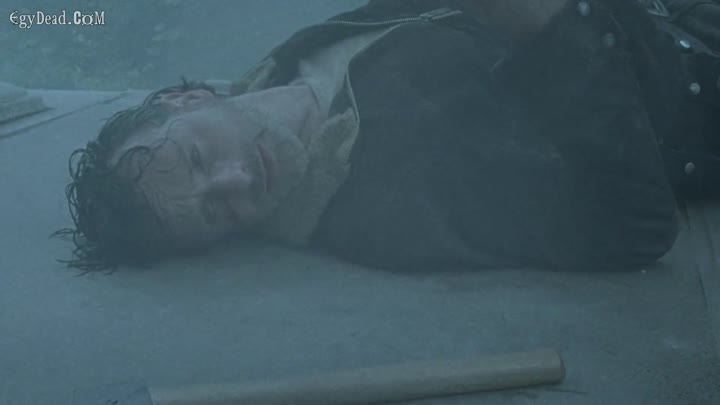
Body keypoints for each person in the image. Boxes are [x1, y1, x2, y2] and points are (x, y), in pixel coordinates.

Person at [54, 0, 720, 273]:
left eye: (200, 157)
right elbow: (630, 224)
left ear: (186, 98)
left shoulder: (287, 66)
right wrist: (544, 21)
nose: (236, 181)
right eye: (215, 213)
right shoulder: (389, 202)